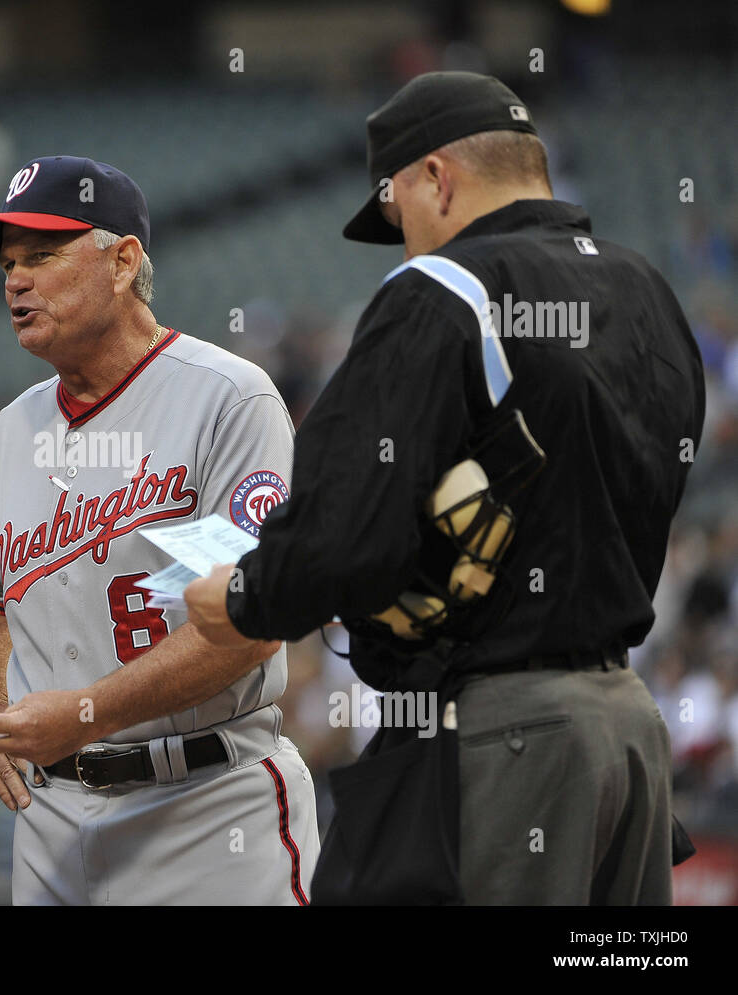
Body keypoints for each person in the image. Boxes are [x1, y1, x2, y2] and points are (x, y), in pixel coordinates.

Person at [184, 72, 706, 904]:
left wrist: (244, 593)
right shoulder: (647, 291)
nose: (406, 244)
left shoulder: (444, 291)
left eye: (399, 216)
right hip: (628, 728)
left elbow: (346, 531)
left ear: (435, 177)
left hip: (505, 733)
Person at [0, 155, 320, 905]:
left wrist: (84, 714)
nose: (15, 280)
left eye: (43, 255)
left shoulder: (228, 399)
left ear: (122, 262)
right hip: (51, 816)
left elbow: (249, 624)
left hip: (208, 805)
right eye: (8, 264)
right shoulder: (16, 429)